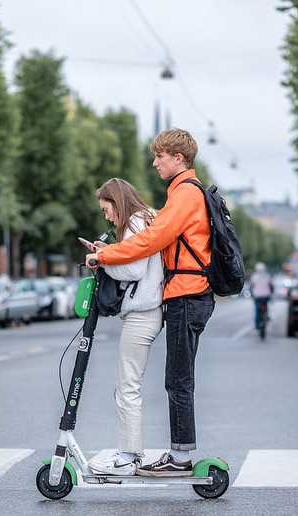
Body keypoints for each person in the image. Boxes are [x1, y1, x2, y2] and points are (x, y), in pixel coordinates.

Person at [86, 128, 213, 477]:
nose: (155, 162)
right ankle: (177, 455)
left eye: (160, 156)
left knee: (177, 380)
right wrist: (109, 253)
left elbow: (151, 242)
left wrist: (107, 255)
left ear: (179, 158)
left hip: (187, 293)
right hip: (181, 295)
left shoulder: (185, 194)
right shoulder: (177, 195)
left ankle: (179, 458)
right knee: (175, 378)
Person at [82, 179, 164, 476]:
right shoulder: (146, 218)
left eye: (106, 209)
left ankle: (128, 457)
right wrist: (109, 251)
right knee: (126, 385)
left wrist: (101, 259)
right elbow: (132, 257)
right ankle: (130, 453)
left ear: (117, 202)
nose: (106, 216)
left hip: (143, 312)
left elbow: (133, 269)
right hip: (148, 311)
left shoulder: (134, 221)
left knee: (126, 386)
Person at [249, 262, 273, 331]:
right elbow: (271, 285)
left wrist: (251, 293)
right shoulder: (267, 276)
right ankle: (266, 316)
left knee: (257, 310)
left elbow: (251, 286)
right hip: (266, 295)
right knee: (265, 306)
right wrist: (271, 293)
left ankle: (257, 327)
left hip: (257, 295)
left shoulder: (254, 277)